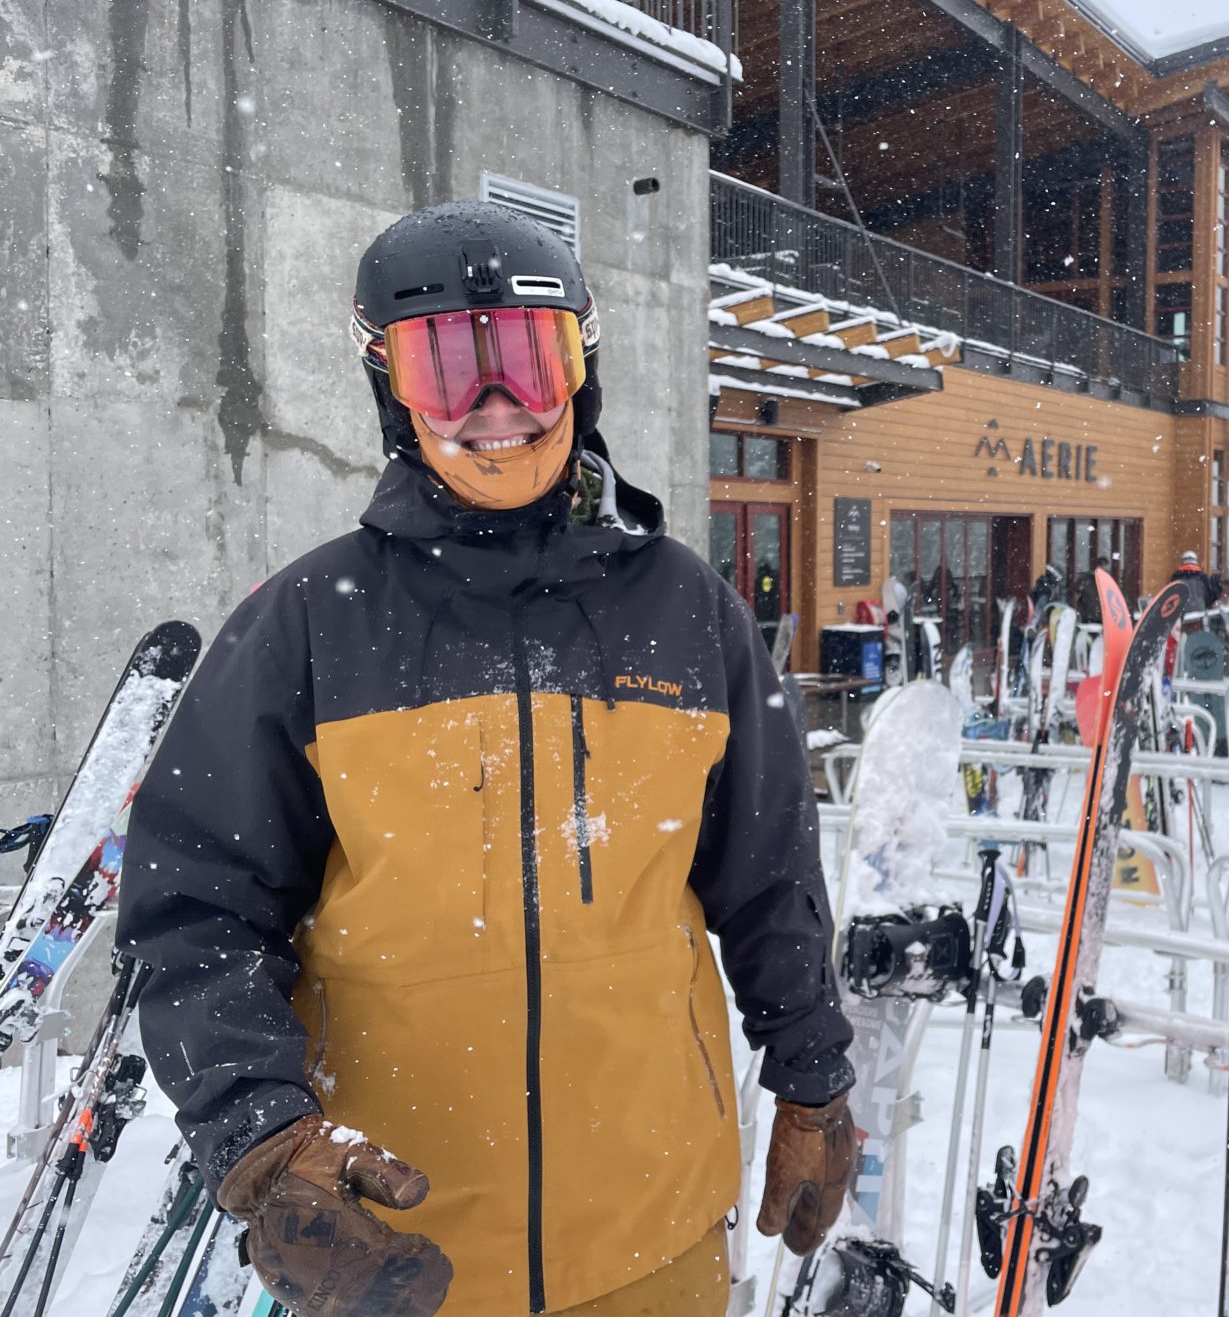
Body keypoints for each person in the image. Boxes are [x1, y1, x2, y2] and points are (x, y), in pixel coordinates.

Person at [116, 204, 855, 1317]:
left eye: (528, 364)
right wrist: (262, 1137)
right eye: (449, 369)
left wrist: (812, 1082)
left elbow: (770, 880)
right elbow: (195, 912)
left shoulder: (687, 613)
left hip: (654, 1237)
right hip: (395, 1258)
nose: (495, 410)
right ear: (393, 393)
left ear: (581, 376)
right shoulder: (310, 627)